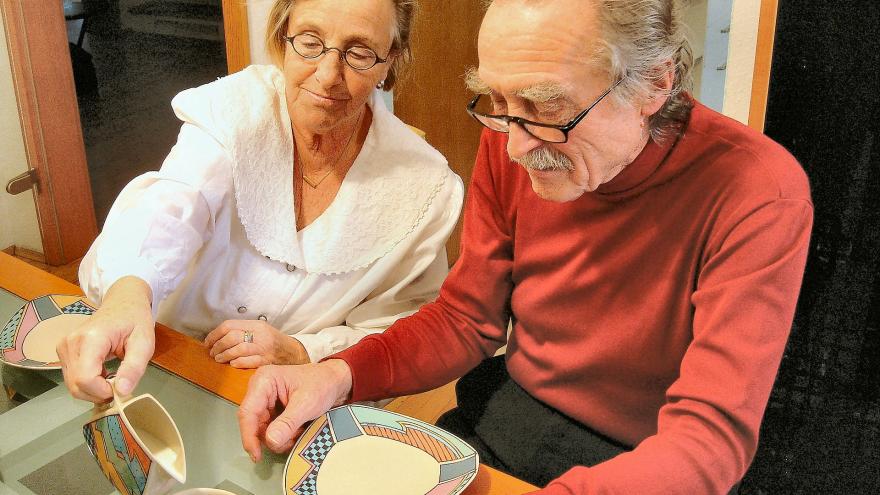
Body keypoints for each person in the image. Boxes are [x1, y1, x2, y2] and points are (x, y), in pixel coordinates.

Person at [237, 0, 813, 493]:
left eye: (548, 106)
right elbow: (467, 318)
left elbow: (709, 438)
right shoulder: (516, 133)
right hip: (512, 410)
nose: (513, 147)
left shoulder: (757, 191)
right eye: (498, 102)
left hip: (648, 457)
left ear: (655, 83)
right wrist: (337, 373)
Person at [57, 0, 463, 403]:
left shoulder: (425, 187)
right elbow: (172, 204)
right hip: (161, 354)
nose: (327, 76)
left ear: (389, 60)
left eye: (358, 53)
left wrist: (302, 351)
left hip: (293, 398)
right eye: (309, 42)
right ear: (282, 36)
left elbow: (399, 330)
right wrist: (127, 297)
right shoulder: (235, 109)